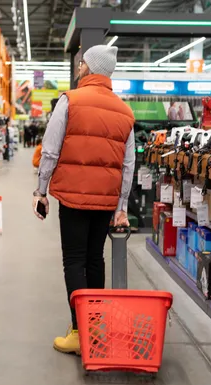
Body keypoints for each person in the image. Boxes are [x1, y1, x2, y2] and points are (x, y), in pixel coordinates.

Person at [32, 45, 136, 355]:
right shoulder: (124, 111)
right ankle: (95, 327)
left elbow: (50, 150)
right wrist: (122, 207)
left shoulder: (70, 101)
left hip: (73, 198)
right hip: (105, 200)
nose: (78, 69)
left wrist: (40, 190)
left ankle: (80, 333)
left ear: (89, 68)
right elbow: (128, 165)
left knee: (74, 261)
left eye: (81, 64)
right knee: (94, 259)